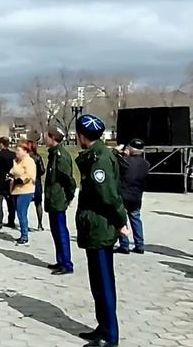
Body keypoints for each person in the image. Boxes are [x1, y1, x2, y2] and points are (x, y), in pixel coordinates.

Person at [74, 114, 129, 347]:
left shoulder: (100, 159)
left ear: (81, 136)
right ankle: (102, 326)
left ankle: (110, 335)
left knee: (104, 282)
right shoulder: (95, 154)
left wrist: (121, 221)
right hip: (94, 227)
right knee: (97, 282)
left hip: (101, 227)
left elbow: (108, 195)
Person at [44, 126, 77, 275]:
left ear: (52, 137)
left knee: (61, 231)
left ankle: (66, 264)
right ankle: (60, 260)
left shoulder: (61, 156)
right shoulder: (53, 154)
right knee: (56, 232)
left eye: (47, 136)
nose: (45, 138)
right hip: (53, 199)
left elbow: (68, 180)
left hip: (58, 199)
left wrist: (69, 197)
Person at [114, 138, 150, 255]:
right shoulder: (145, 164)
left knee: (122, 219)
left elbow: (112, 159)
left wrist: (121, 153)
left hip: (123, 194)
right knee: (136, 219)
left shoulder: (125, 161)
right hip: (136, 195)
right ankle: (139, 244)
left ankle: (124, 245)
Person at [10, 141, 37, 245]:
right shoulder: (17, 161)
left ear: (25, 151)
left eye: (18, 150)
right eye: (16, 150)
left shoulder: (29, 161)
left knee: (22, 212)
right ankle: (22, 233)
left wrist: (18, 180)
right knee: (19, 212)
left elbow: (29, 175)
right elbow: (13, 171)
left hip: (26, 190)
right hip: (15, 190)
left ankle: (24, 235)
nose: (16, 152)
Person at [0, 137, 16, 229]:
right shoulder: (13, 155)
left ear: (1, 144)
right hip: (9, 181)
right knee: (11, 203)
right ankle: (11, 220)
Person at [30, 141, 46, 230]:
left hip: (27, 182)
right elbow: (42, 170)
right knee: (38, 204)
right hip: (37, 181)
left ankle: (25, 223)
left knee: (26, 204)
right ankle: (40, 224)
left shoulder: (26, 157)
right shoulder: (38, 157)